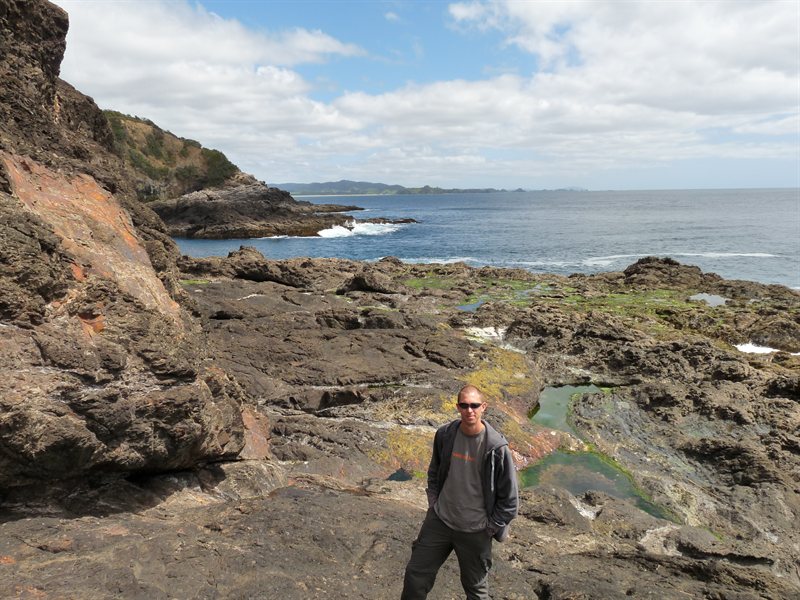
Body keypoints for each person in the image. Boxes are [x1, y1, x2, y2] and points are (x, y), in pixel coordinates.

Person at [401, 384, 519, 600]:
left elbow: (510, 501)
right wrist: (434, 503)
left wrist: (490, 527)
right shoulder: (445, 434)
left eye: (474, 405)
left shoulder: (496, 448)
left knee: (475, 590)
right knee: (415, 576)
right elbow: (435, 471)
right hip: (440, 521)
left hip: (476, 531)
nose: (469, 410)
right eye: (464, 405)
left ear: (484, 407)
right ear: (457, 407)